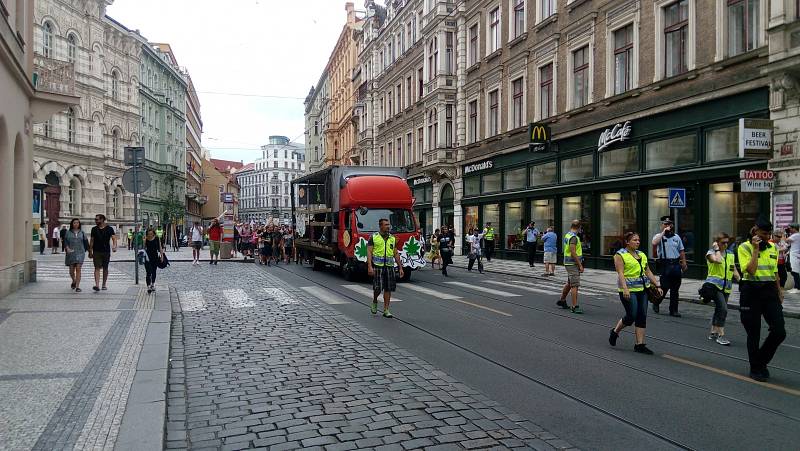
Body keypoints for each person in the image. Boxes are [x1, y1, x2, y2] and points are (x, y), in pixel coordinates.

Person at [737, 219, 786, 382]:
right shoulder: (744, 247)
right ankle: (755, 368)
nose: (767, 237)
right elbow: (750, 270)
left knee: (779, 331)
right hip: (751, 291)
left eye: (768, 234)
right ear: (755, 231)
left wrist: (779, 291)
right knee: (754, 332)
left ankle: (761, 361)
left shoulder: (773, 247)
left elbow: (775, 272)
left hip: (769, 291)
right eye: (764, 234)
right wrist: (756, 249)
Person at [608, 232, 661, 354]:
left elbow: (648, 271)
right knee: (631, 315)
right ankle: (615, 332)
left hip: (643, 290)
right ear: (627, 242)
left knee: (642, 316)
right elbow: (620, 273)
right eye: (634, 240)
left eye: (638, 240)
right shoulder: (620, 255)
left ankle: (639, 344)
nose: (638, 242)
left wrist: (657, 285)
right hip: (628, 291)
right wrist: (625, 288)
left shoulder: (641, 254)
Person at [705, 233, 740, 346]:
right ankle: (721, 335)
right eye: (723, 242)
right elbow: (718, 261)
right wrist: (716, 249)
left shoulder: (730, 254)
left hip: (726, 287)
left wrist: (740, 280)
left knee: (719, 309)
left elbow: (733, 268)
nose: (725, 245)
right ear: (717, 243)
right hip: (714, 286)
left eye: (727, 242)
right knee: (723, 309)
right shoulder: (710, 253)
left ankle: (713, 332)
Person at [367, 218, 404, 318]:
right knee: (378, 288)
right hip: (378, 266)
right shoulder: (374, 237)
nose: (388, 226)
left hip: (389, 266)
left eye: (389, 225)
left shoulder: (392, 238)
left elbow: (395, 253)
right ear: (381, 226)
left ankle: (386, 310)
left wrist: (400, 267)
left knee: (388, 288)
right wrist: (369, 266)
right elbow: (369, 252)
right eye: (386, 225)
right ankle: (375, 300)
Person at [651, 216, 687, 317]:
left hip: (675, 264)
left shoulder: (676, 237)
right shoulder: (658, 236)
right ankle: (656, 302)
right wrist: (663, 232)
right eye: (665, 224)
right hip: (665, 264)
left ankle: (674, 310)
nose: (667, 226)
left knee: (675, 289)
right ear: (662, 226)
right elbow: (654, 243)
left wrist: (684, 263)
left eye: (669, 224)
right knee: (664, 287)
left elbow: (681, 250)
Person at [557, 220, 584, 314]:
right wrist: (580, 265)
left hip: (568, 263)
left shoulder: (568, 234)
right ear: (579, 227)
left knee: (569, 283)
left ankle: (562, 300)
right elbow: (573, 252)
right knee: (575, 285)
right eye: (581, 228)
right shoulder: (573, 237)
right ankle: (574, 306)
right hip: (572, 264)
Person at [88, 214, 117, 292]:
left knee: (105, 268)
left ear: (102, 220)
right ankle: (97, 285)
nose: (96, 221)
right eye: (95, 219)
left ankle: (104, 284)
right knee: (97, 267)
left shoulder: (109, 229)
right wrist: (90, 251)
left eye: (97, 219)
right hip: (96, 251)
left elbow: (114, 238)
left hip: (106, 251)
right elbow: (92, 240)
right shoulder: (94, 229)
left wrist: (114, 246)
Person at [64, 218, 88, 292]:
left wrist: (88, 250)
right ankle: (74, 280)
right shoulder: (68, 232)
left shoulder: (82, 232)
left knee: (78, 268)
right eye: (74, 223)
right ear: (72, 224)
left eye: (77, 223)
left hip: (80, 252)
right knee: (71, 270)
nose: (76, 224)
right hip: (71, 252)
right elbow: (65, 241)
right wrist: (67, 248)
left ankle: (77, 286)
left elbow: (86, 242)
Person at [143, 227, 165, 294]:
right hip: (147, 257)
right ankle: (148, 286)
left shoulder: (156, 238)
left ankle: (152, 284)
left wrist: (162, 256)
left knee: (154, 271)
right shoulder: (145, 239)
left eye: (151, 234)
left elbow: (160, 248)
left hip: (155, 257)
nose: (150, 235)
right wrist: (144, 241)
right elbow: (143, 248)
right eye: (149, 234)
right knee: (148, 272)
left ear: (153, 234)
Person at [785, 223, 800, 293]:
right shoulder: (796, 235)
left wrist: (783, 234)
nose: (789, 229)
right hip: (795, 255)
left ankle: (797, 288)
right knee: (794, 271)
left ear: (794, 228)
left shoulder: (796, 235)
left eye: (790, 228)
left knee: (795, 271)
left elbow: (785, 240)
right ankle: (796, 287)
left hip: (795, 256)